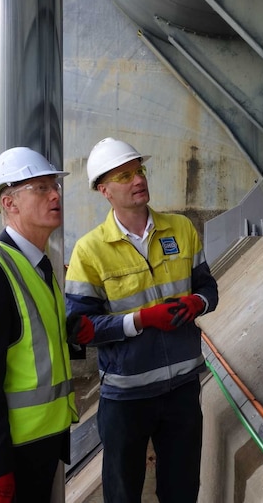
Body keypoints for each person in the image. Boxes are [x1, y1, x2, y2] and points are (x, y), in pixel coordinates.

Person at [65, 137, 219, 503]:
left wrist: (197, 304)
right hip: (126, 397)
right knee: (122, 493)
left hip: (182, 389)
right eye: (125, 175)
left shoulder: (180, 230)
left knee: (181, 491)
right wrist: (141, 320)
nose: (138, 180)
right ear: (105, 191)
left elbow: (208, 287)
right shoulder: (90, 250)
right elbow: (79, 328)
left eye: (139, 171)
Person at [0, 147, 91, 503]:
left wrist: (72, 331)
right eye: (41, 187)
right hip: (7, 455)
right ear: (9, 202)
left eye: (54, 186)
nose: (55, 194)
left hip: (38, 446)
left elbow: (29, 342)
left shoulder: (39, 265)